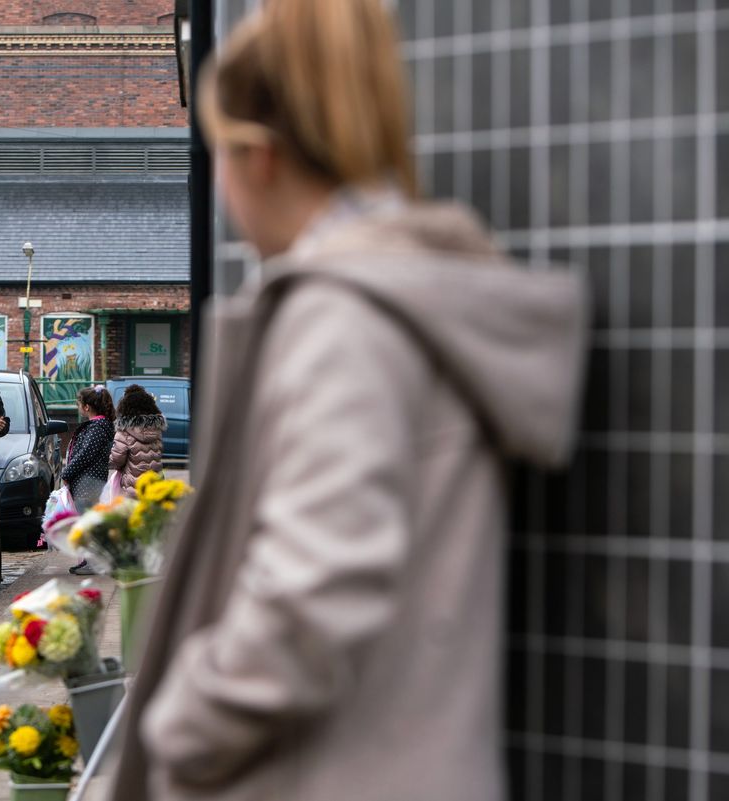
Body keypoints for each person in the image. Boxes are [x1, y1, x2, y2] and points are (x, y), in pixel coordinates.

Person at [108, 2, 588, 800]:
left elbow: (316, 586)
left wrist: (179, 726)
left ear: (259, 157)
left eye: (218, 151)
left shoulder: (342, 319)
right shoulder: (408, 294)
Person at [60, 385, 115, 575]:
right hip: (87, 482)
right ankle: (88, 560)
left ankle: (94, 562)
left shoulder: (97, 427)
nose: (77, 406)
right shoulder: (98, 426)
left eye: (79, 403)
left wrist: (67, 473)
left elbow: (85, 455)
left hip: (88, 482)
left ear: (86, 407)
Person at [108, 384, 166, 498]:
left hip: (133, 487)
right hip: (155, 485)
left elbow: (116, 460)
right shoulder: (157, 429)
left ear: (125, 406)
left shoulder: (124, 431)